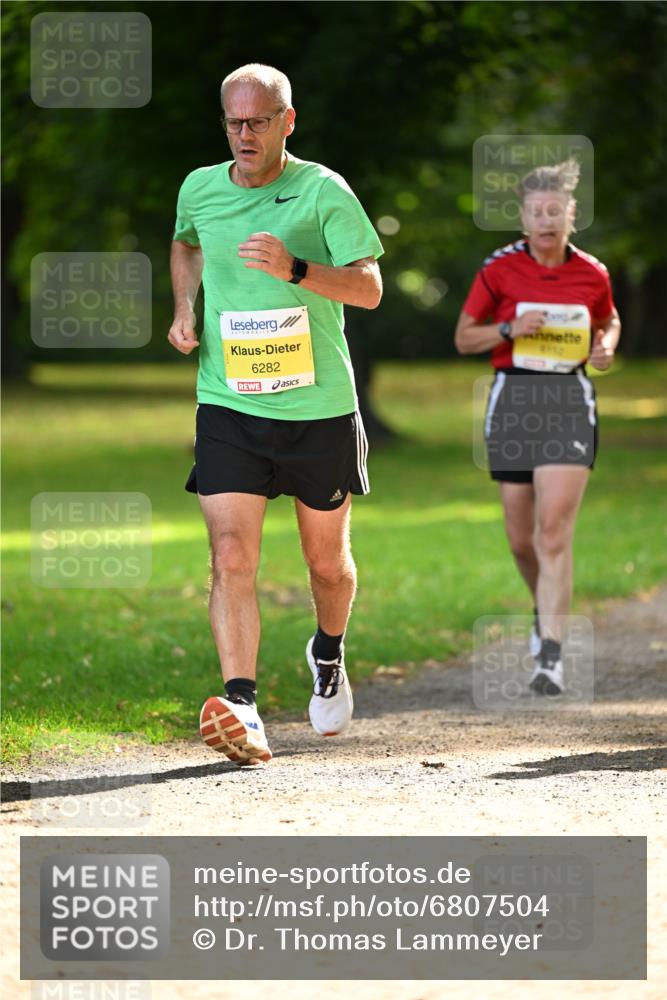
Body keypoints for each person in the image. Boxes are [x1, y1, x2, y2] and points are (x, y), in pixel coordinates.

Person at [169, 63, 383, 764]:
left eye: (259, 121)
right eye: (233, 122)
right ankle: (242, 703)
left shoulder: (323, 191)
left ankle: (327, 651)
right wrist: (183, 310)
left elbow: (370, 288)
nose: (244, 134)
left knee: (327, 566)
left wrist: (295, 269)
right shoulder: (200, 187)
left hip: (317, 408)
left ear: (287, 121)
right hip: (228, 401)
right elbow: (185, 241)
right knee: (230, 555)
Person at [455, 159, 620, 695]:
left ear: (571, 215)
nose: (547, 220)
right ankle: (541, 608)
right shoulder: (499, 270)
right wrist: (508, 326)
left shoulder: (591, 273)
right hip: (515, 399)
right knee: (520, 538)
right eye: (537, 212)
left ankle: (550, 655)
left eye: (557, 211)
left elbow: (608, 319)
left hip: (569, 399)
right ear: (523, 218)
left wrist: (606, 347)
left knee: (554, 533)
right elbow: (463, 338)